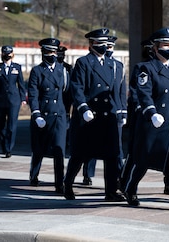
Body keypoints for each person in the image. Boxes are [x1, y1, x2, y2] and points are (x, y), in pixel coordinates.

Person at [122, 27, 169, 213]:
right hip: (154, 123)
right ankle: (129, 188)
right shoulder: (145, 69)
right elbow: (143, 93)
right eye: (164, 45)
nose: (168, 48)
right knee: (142, 161)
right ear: (155, 48)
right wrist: (151, 113)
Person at [63, 28, 125, 202]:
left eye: (105, 43)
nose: (103, 47)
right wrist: (83, 108)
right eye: (99, 43)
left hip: (108, 115)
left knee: (112, 155)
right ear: (91, 44)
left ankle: (111, 191)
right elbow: (77, 88)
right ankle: (68, 184)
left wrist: (119, 111)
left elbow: (115, 90)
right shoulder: (83, 62)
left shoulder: (112, 64)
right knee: (80, 154)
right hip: (89, 116)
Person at [82, 35, 128, 187]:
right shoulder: (90, 63)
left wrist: (122, 111)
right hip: (96, 110)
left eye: (110, 47)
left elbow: (121, 90)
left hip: (113, 110)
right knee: (91, 146)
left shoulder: (117, 66)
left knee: (116, 149)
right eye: (106, 46)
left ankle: (118, 177)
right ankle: (88, 173)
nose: (108, 50)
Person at [28, 38, 69, 194]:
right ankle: (34, 175)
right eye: (48, 51)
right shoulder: (37, 71)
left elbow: (66, 93)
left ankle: (60, 183)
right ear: (43, 52)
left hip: (58, 115)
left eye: (53, 51)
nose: (51, 54)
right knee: (39, 150)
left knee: (59, 151)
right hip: (43, 116)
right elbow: (33, 94)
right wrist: (36, 114)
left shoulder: (62, 70)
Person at [119, 39, 154, 193]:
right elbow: (135, 92)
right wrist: (142, 108)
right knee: (135, 153)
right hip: (141, 116)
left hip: (157, 116)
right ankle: (124, 181)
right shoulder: (142, 67)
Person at [0, 45, 27, 158]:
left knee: (11, 126)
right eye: (5, 54)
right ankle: (4, 145)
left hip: (13, 100)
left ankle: (9, 149)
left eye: (9, 54)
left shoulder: (17, 68)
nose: (7, 56)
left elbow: (21, 84)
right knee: (0, 126)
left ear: (12, 55)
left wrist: (23, 98)